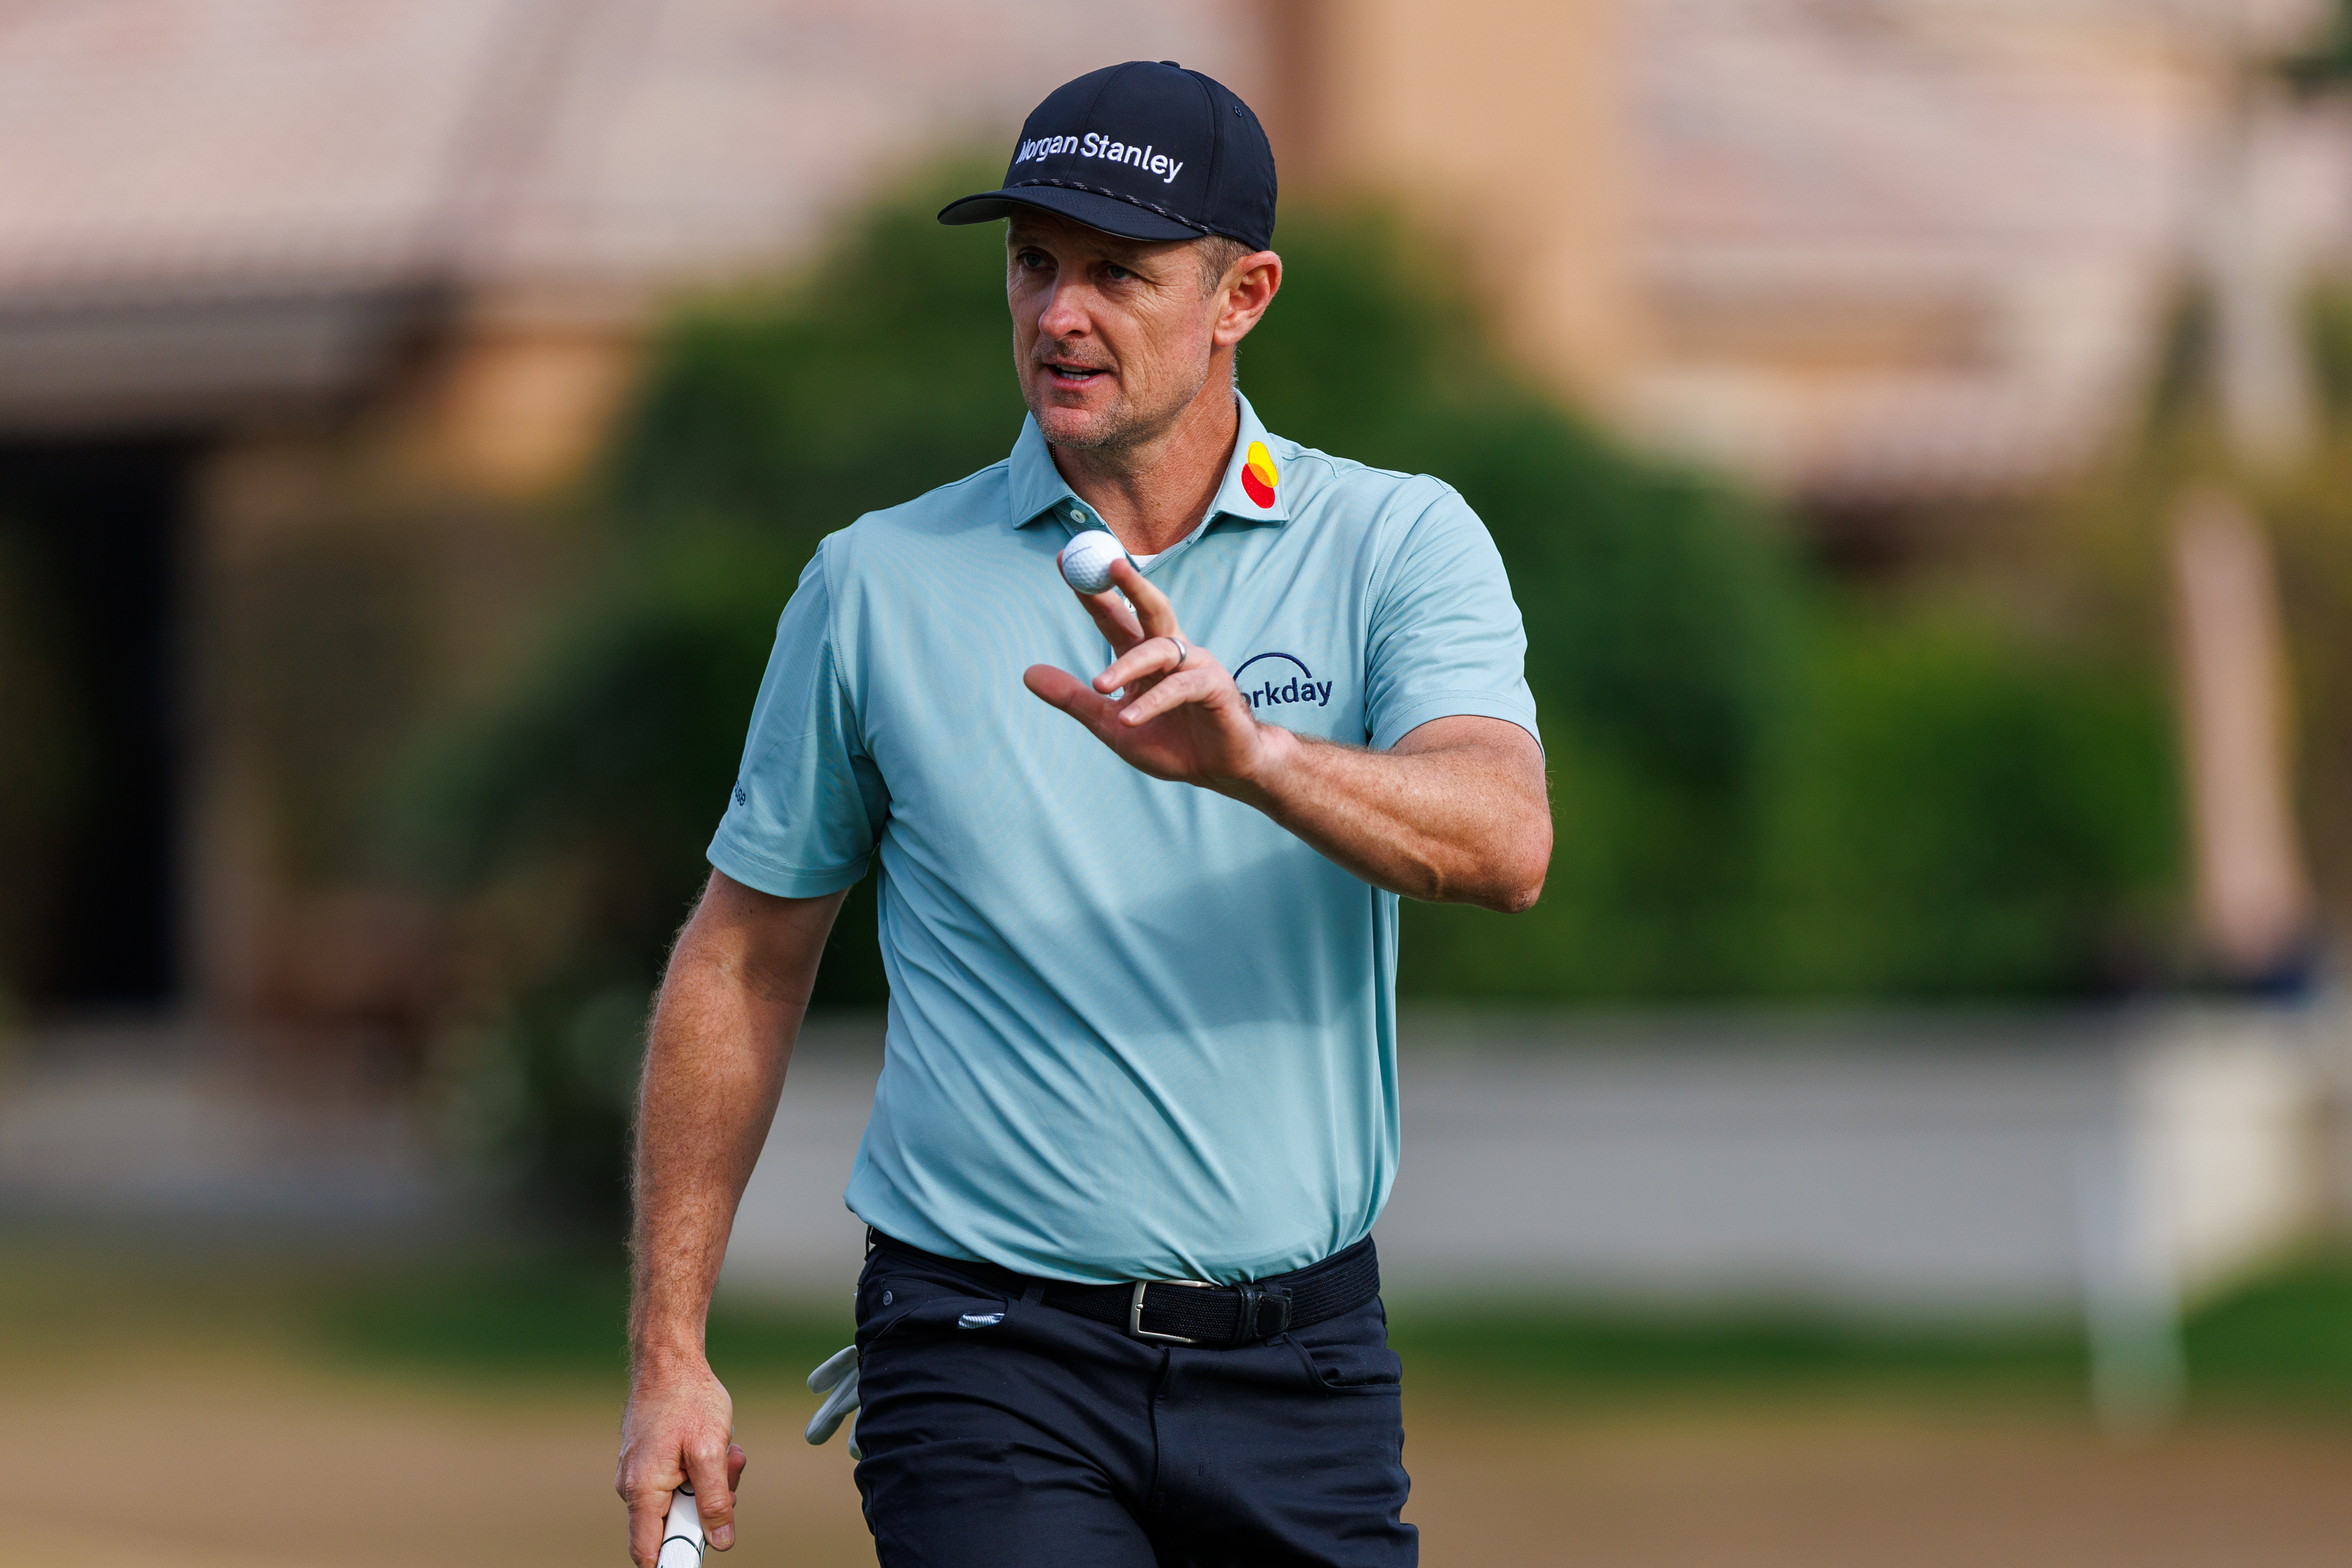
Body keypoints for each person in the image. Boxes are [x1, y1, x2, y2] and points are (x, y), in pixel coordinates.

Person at [616, 59, 1549, 1568]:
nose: (1059, 313)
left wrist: (1258, 761)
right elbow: (742, 960)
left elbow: (1505, 845)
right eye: (1035, 263)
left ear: (1243, 295)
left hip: (1303, 1368)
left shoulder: (1398, 540)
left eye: (1119, 272)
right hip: (984, 1354)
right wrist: (671, 1354)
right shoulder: (874, 583)